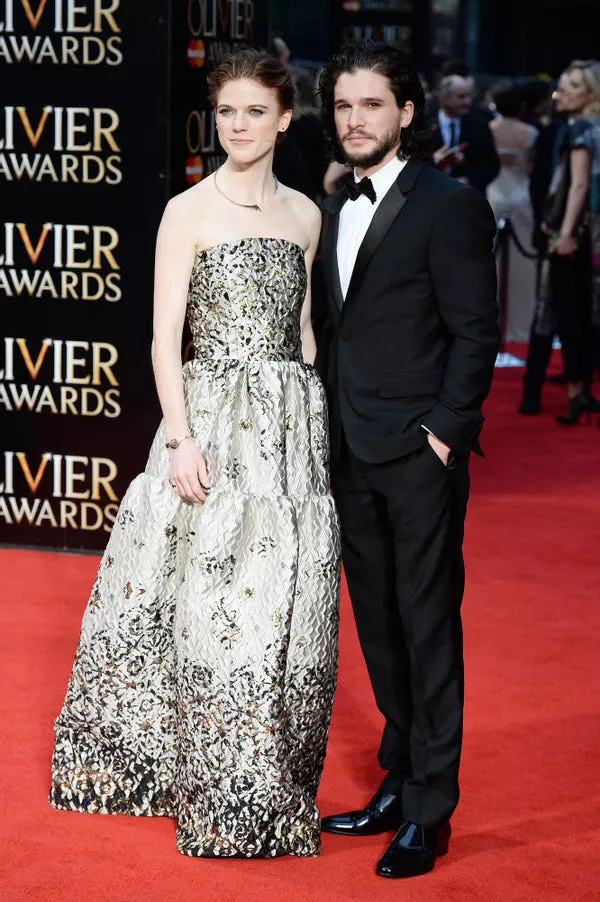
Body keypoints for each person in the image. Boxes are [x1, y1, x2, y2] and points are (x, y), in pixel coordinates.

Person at [49, 48, 340, 859]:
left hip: (287, 430)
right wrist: (180, 438)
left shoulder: (308, 216)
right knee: (204, 605)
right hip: (209, 419)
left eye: (254, 111)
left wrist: (311, 431)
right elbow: (159, 339)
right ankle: (198, 782)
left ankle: (268, 784)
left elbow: (306, 331)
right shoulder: (188, 211)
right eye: (226, 112)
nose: (238, 126)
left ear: (285, 118)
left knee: (279, 606)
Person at [316, 42, 500, 879]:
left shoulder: (447, 203)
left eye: (373, 105)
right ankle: (398, 777)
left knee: (427, 628)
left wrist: (445, 432)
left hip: (418, 454)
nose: (356, 119)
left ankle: (431, 808)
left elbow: (475, 330)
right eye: (345, 105)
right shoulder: (329, 200)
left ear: (407, 114)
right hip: (348, 448)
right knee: (381, 627)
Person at [520, 60, 600, 422]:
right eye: (562, 85)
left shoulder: (580, 127)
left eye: (571, 87)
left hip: (575, 232)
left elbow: (577, 185)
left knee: (560, 310)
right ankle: (577, 391)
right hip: (590, 232)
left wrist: (564, 231)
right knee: (582, 312)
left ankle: (570, 393)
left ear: (591, 94)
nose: (560, 93)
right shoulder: (591, 126)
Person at [487, 85, 539, 341]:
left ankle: (490, 324)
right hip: (521, 196)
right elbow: (530, 167)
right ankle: (519, 327)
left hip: (492, 195)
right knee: (522, 267)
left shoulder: (488, 129)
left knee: (489, 262)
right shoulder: (530, 132)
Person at [432, 74, 500, 192]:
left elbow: (492, 165)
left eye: (469, 96)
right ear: (444, 97)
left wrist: (469, 180)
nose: (467, 101)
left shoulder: (480, 125)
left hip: (468, 197)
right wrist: (435, 161)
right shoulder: (424, 125)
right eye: (461, 97)